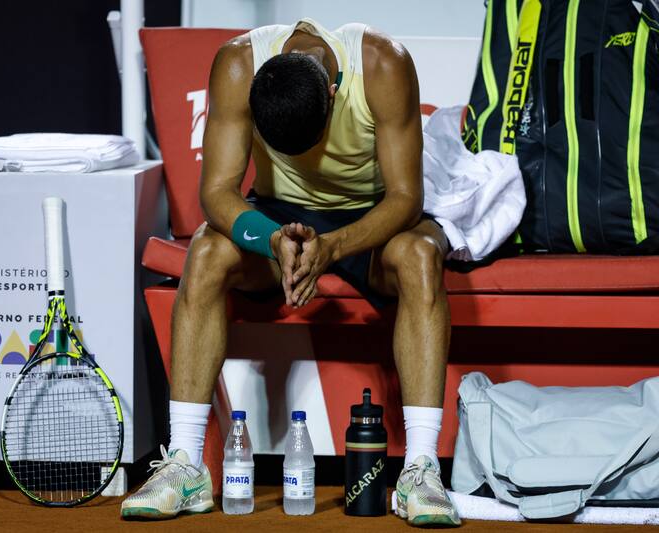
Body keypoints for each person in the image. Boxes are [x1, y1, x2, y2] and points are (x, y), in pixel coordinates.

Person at [121, 18, 460, 527]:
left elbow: (407, 198)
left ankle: (420, 469)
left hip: (372, 219)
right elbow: (217, 193)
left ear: (333, 88)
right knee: (207, 254)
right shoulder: (238, 64)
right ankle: (186, 463)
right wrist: (272, 239)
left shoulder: (382, 65)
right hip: (277, 213)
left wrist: (334, 246)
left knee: (420, 258)